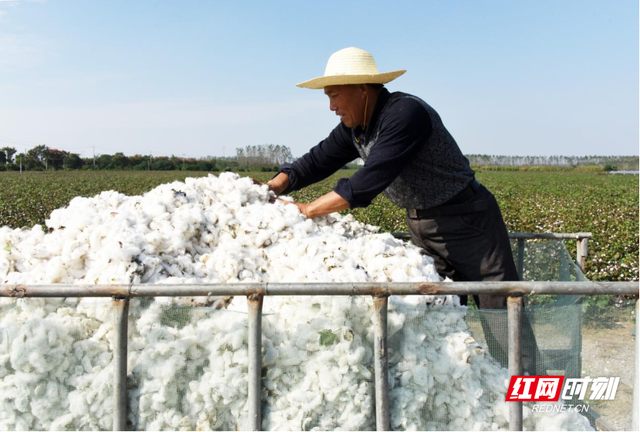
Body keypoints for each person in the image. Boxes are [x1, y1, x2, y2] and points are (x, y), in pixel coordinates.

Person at [267, 47, 519, 310]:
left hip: (468, 222)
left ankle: (514, 352)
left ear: (362, 88)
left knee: (499, 307)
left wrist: (307, 210)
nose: (332, 106)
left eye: (335, 95)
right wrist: (273, 186)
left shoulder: (405, 113)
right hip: (422, 225)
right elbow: (316, 161)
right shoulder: (356, 127)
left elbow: (369, 179)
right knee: (440, 310)